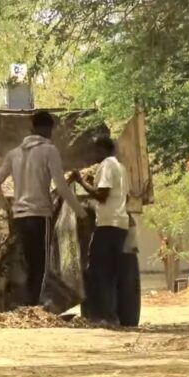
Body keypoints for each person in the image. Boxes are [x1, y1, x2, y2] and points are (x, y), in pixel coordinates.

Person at [0, 111, 88, 306]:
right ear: (48, 129)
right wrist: (81, 212)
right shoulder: (49, 151)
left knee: (23, 263)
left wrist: (6, 208)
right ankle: (33, 306)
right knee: (39, 264)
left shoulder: (14, 153)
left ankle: (21, 305)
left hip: (19, 217)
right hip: (39, 215)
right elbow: (60, 186)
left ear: (31, 128)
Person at [72, 136, 130, 323]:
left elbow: (102, 195)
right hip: (120, 224)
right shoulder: (121, 168)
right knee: (112, 273)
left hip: (107, 225)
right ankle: (112, 315)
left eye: (96, 151)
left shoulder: (106, 166)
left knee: (99, 272)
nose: (94, 155)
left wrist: (80, 181)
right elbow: (123, 198)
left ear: (102, 150)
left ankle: (103, 316)